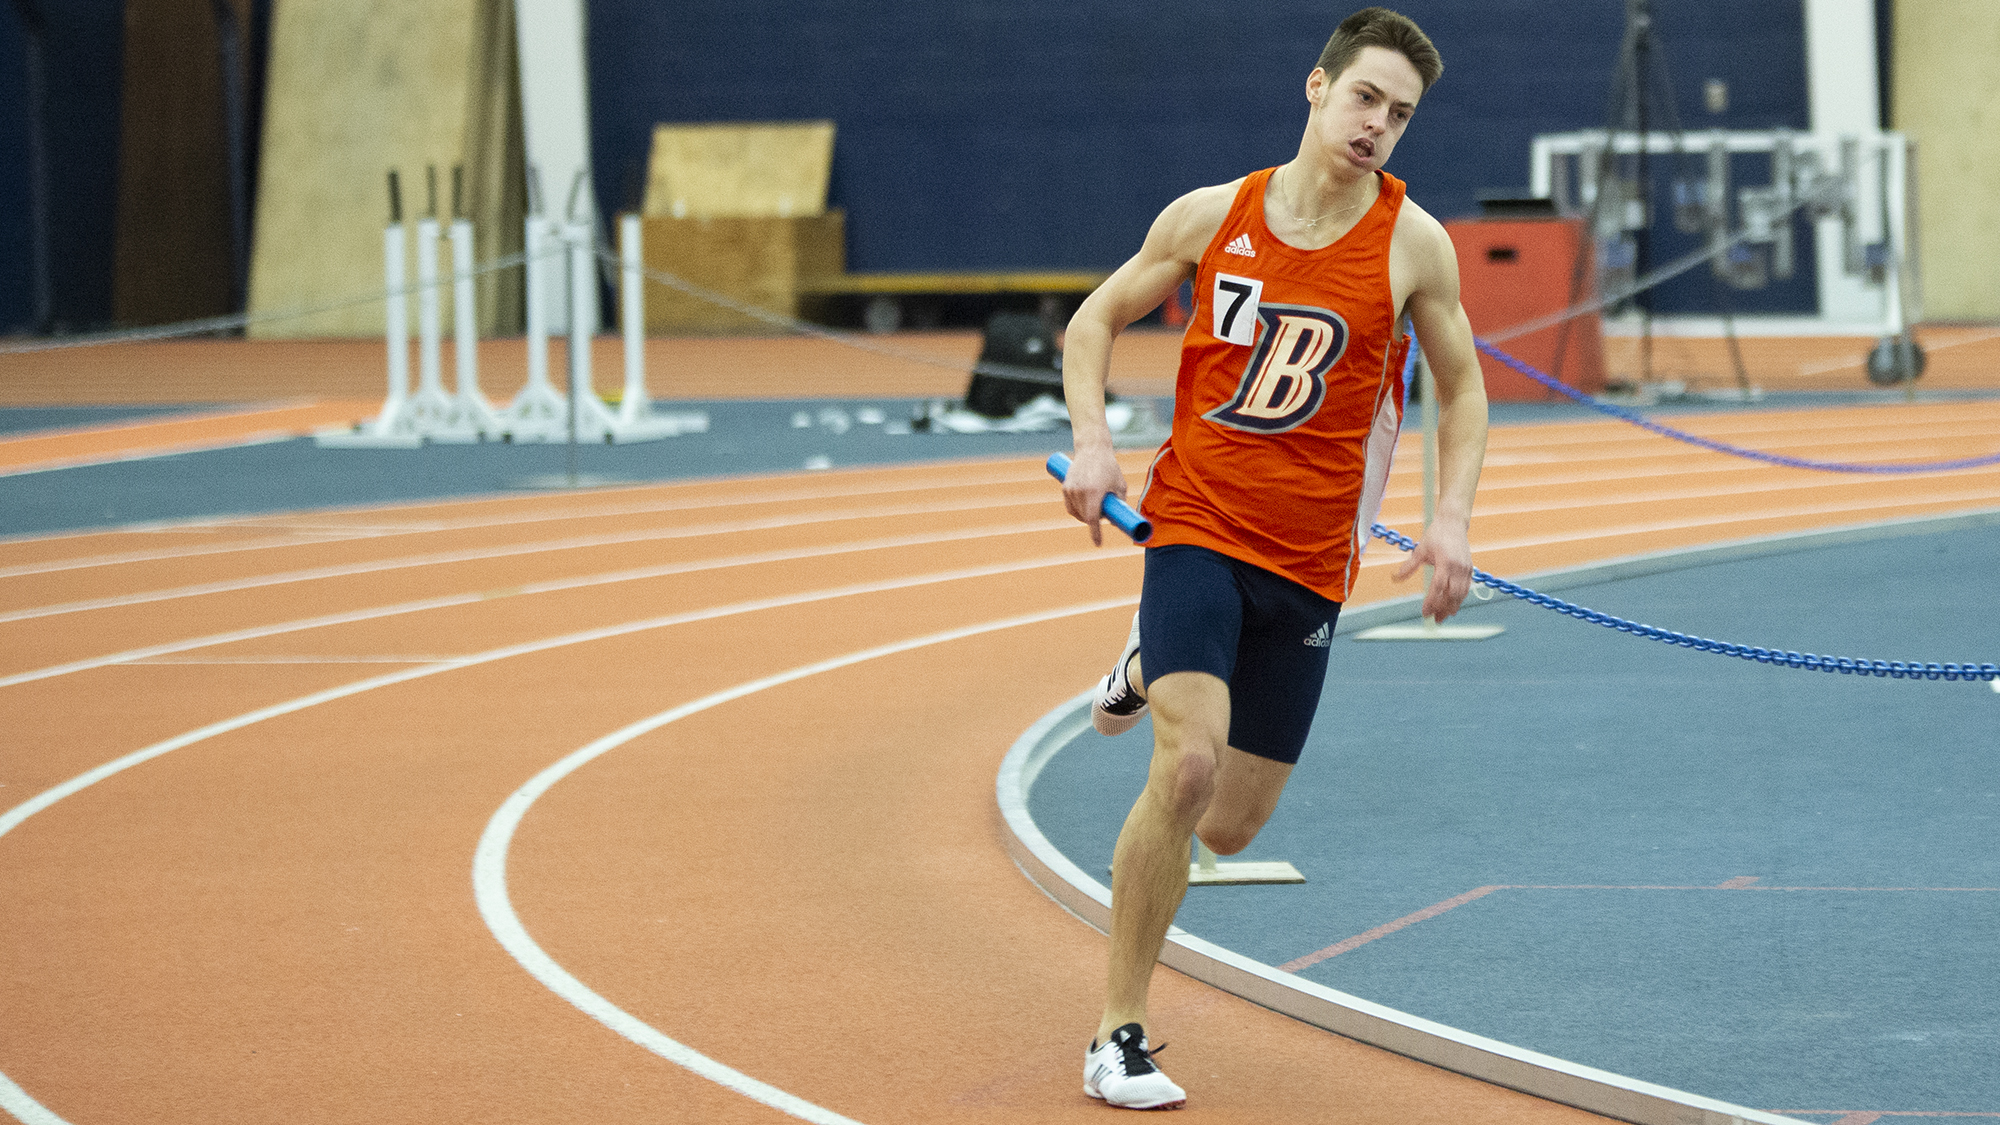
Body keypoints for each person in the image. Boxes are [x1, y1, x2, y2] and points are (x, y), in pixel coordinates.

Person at [1058, 8, 1487, 1110]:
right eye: (1364, 99)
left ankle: (1145, 665)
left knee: (1232, 822)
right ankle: (1118, 1033)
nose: (1377, 126)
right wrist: (1097, 446)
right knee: (1185, 766)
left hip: (1307, 561)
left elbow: (1462, 386)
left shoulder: (1411, 244)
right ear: (1315, 87)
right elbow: (1092, 321)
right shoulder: (1213, 215)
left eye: (1399, 114)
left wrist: (1450, 521)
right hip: (1195, 522)